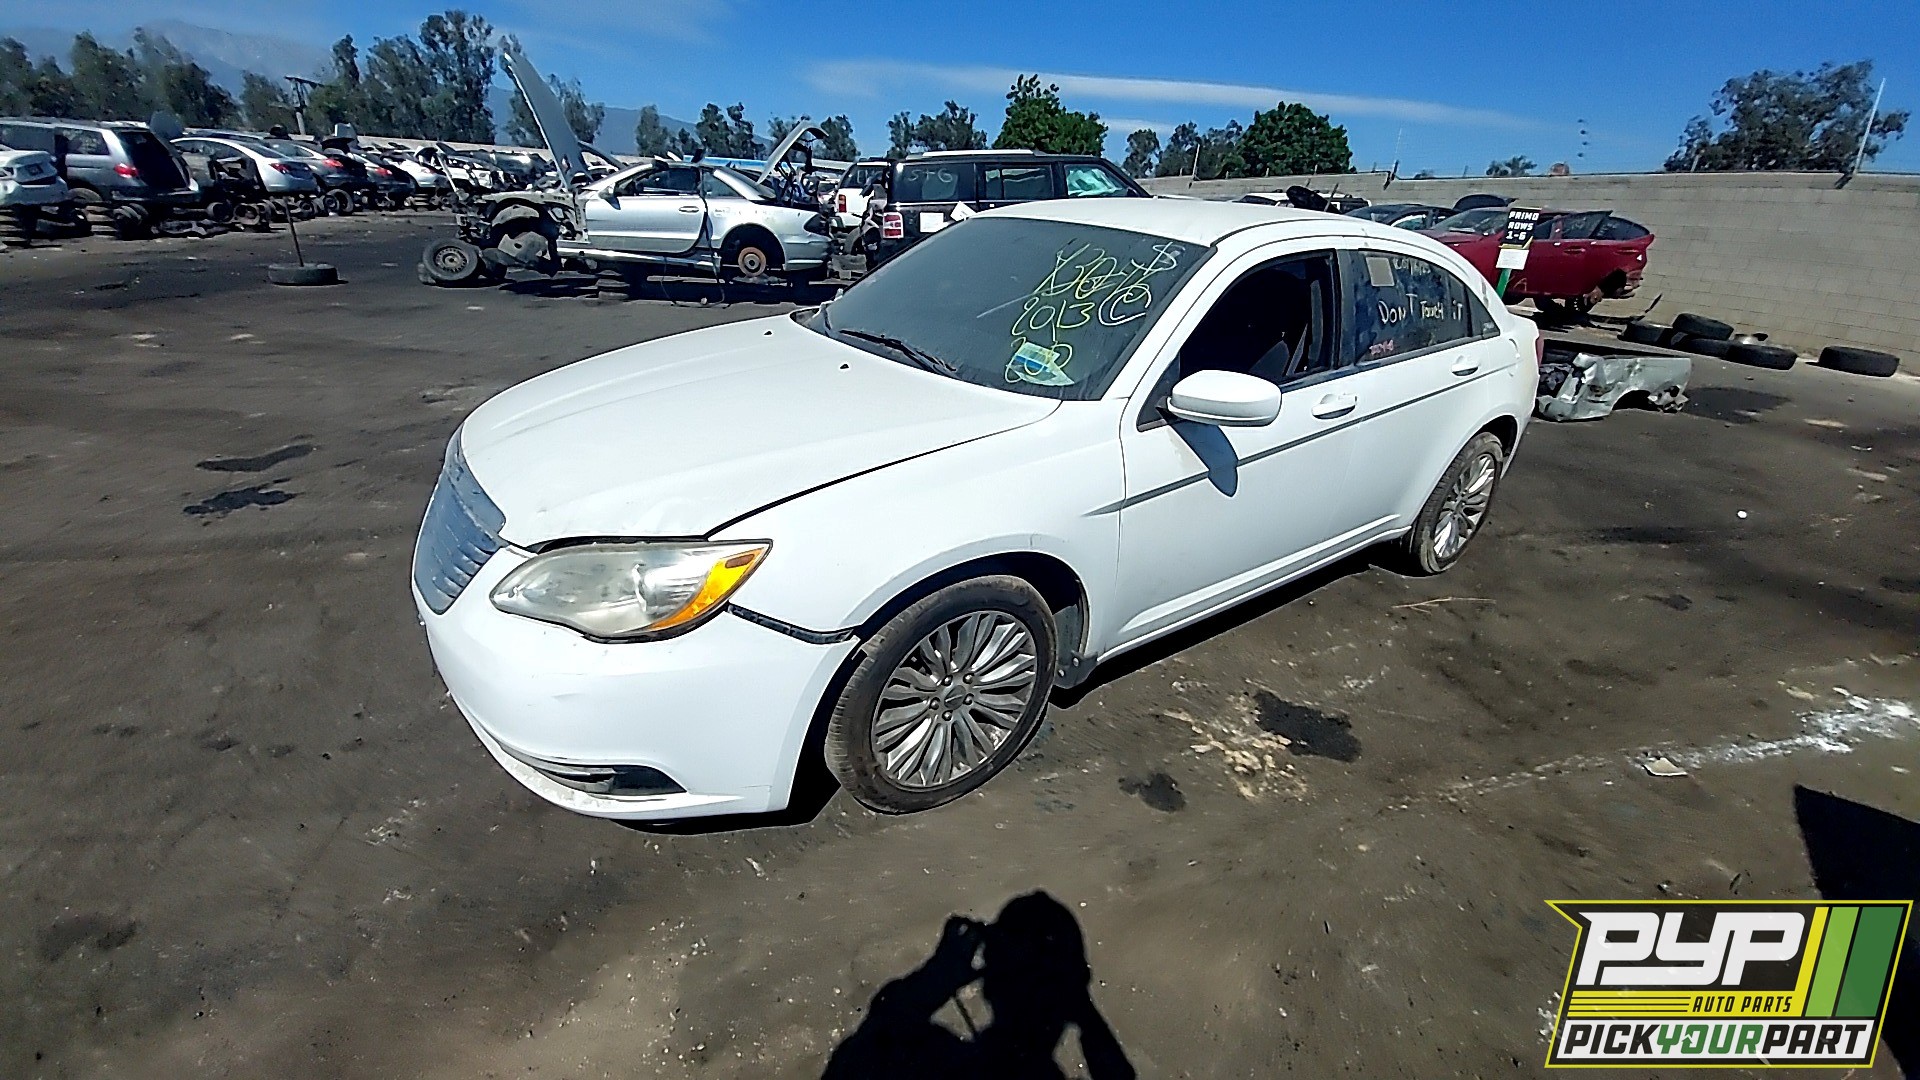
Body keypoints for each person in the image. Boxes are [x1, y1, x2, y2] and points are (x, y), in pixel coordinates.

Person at [823, 892, 1135, 1079]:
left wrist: (936, 977)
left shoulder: (934, 1062)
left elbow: (866, 1049)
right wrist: (1082, 1008)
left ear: (989, 986)